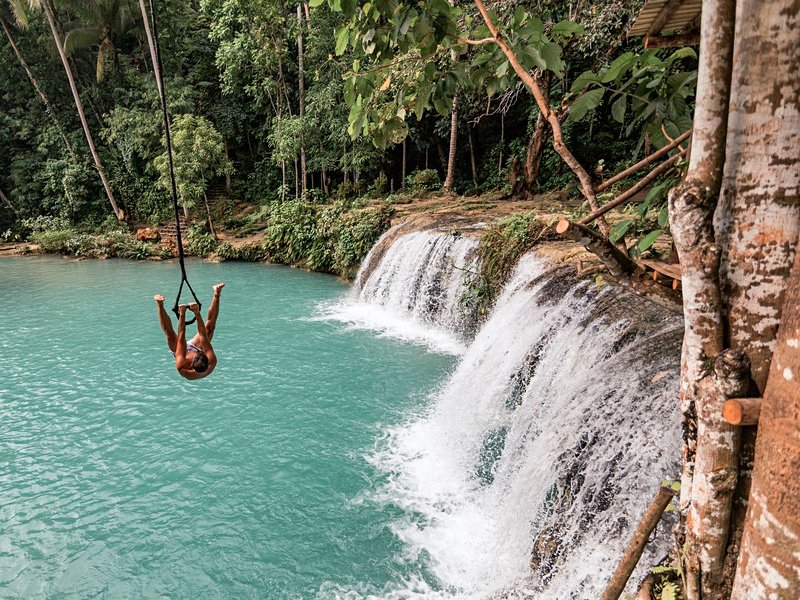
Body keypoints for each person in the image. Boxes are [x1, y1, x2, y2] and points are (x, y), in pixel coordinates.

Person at [154, 283, 224, 380]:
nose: (195, 352)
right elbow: (203, 334)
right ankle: (217, 293)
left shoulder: (182, 366)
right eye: (199, 352)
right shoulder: (211, 360)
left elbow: (181, 336)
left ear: (191, 363)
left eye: (195, 354)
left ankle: (159, 304)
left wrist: (182, 314)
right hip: (197, 353)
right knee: (209, 327)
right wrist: (196, 312)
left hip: (181, 352)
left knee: (170, 335)